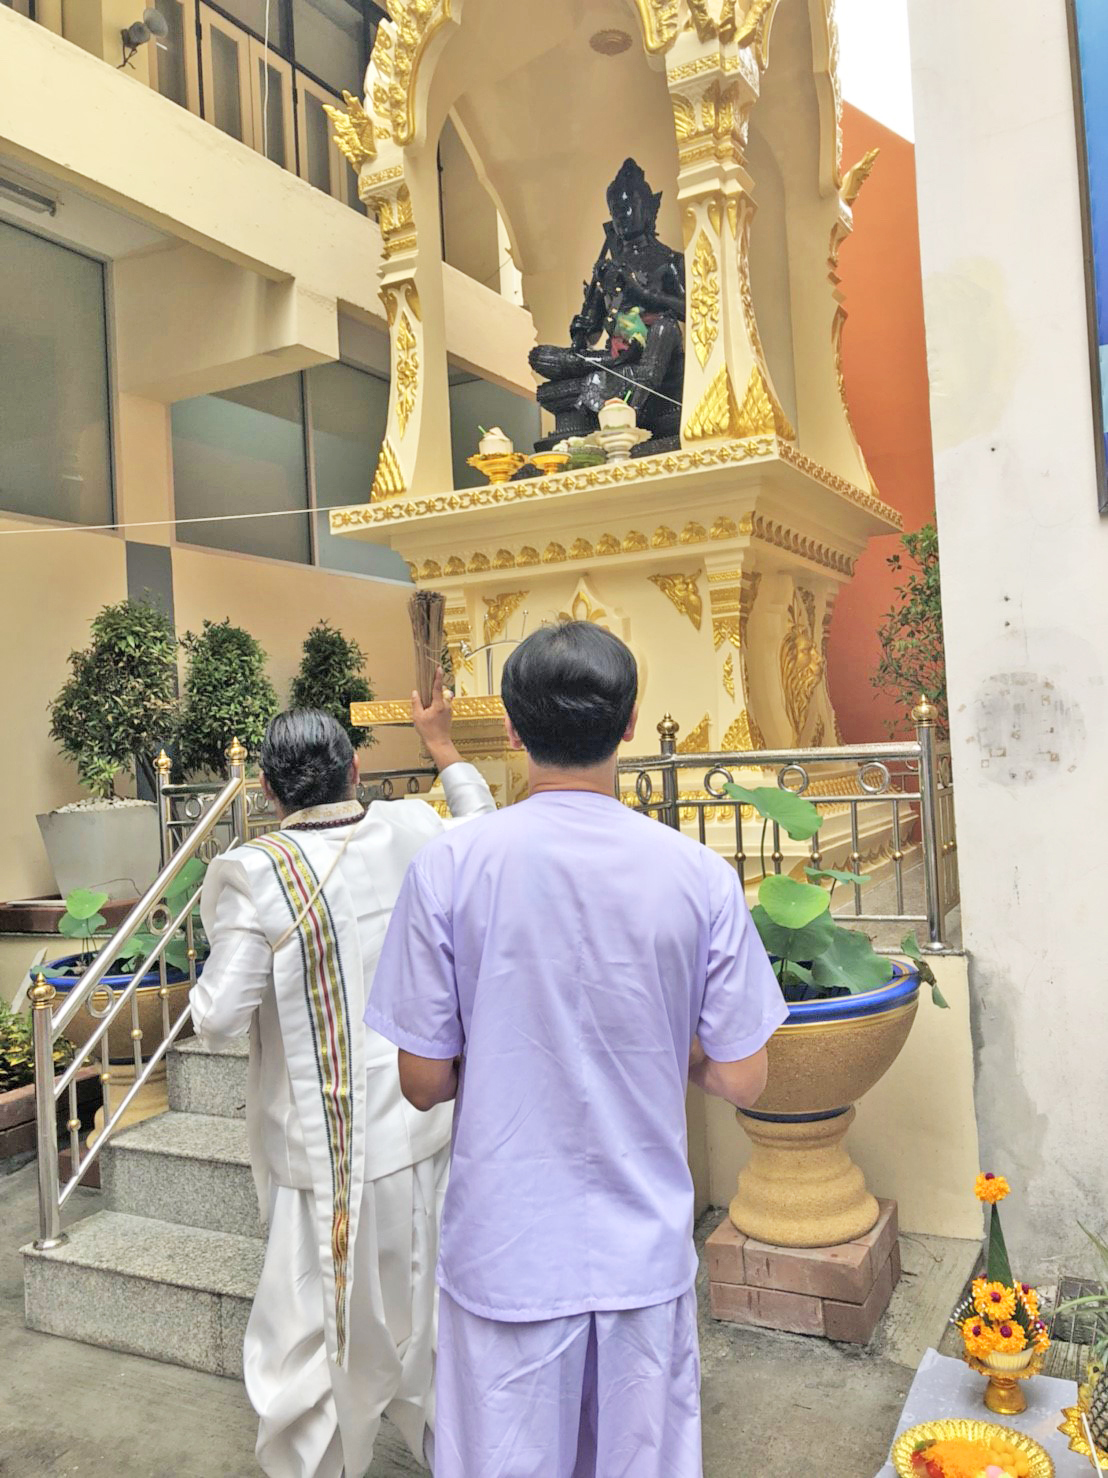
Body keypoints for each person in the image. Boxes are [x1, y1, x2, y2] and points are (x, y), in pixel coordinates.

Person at [367, 622, 789, 1478]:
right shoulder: (699, 876)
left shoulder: (451, 867)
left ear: (511, 728)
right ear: (630, 723)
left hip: (507, 1247)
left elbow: (422, 1081)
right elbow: (745, 1077)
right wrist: (665, 1047)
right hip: (642, 1253)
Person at [191, 677, 495, 1478]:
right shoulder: (412, 827)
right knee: (432, 1322)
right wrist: (440, 744)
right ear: (355, 769)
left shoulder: (259, 872)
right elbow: (484, 826)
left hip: (325, 1159)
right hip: (423, 1128)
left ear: (266, 789)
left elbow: (219, 1018)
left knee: (312, 1342)